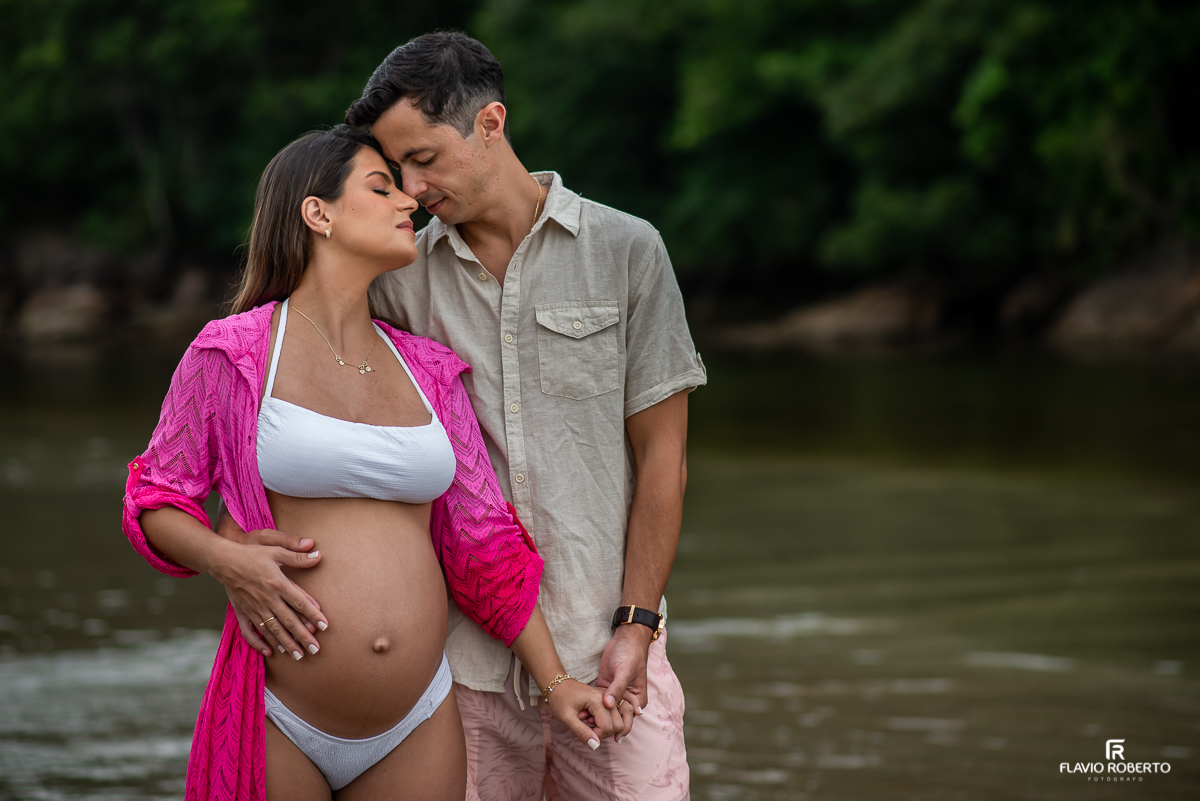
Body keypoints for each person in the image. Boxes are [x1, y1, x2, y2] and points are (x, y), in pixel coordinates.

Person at [224, 31, 706, 799]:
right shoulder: (395, 281)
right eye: (394, 169)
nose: (411, 188)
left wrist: (636, 626)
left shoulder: (628, 251)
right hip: (458, 676)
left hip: (610, 655)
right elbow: (259, 408)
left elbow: (664, 460)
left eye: (423, 158)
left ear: (490, 124)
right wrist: (234, 554)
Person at [122, 125, 626, 801]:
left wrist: (558, 681)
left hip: (416, 721)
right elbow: (155, 497)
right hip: (281, 713)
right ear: (317, 212)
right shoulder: (233, 356)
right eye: (381, 186)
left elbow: (484, 547)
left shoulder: (431, 371)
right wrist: (227, 560)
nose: (409, 203)